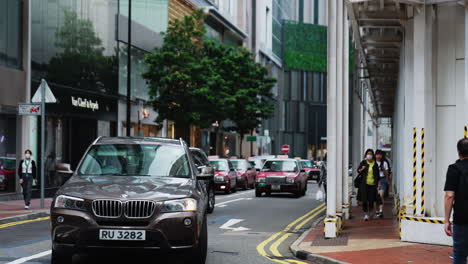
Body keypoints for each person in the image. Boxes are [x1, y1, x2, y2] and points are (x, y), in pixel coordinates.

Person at [444, 138, 468, 264]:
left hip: (462, 218)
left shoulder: (454, 169)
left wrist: (447, 220)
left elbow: (449, 195)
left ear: (458, 152)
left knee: (459, 254)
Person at [357, 149, 380, 221]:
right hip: (364, 184)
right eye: (368, 153)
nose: (369, 155)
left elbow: (377, 175)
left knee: (371, 200)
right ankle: (366, 214)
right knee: (364, 200)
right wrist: (362, 169)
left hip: (373, 185)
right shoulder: (363, 162)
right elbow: (358, 171)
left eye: (370, 154)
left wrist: (378, 184)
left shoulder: (375, 164)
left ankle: (370, 211)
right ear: (366, 155)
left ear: (373, 155)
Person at [375, 150, 390, 218]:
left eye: (380, 154)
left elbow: (386, 173)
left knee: (381, 195)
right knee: (375, 196)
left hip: (383, 179)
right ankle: (376, 211)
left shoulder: (384, 163)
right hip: (375, 180)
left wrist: (383, 169)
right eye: (377, 154)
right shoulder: (373, 163)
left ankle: (381, 210)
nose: (378, 156)